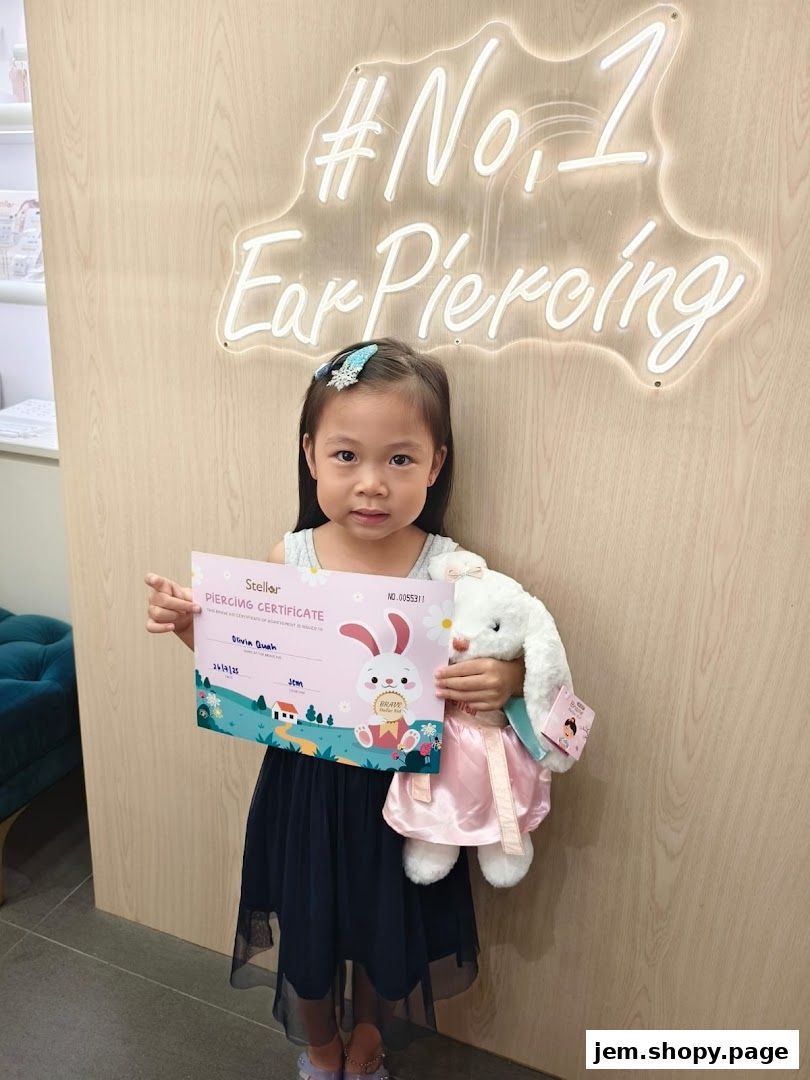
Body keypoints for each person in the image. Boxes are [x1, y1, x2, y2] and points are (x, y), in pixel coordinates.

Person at [144, 337, 527, 1080]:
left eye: (400, 459)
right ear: (311, 455)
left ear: (436, 464)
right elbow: (250, 669)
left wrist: (505, 680)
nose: (372, 484)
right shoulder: (292, 558)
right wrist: (192, 627)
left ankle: (369, 1044)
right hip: (306, 789)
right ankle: (321, 1050)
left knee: (390, 934)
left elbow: (512, 649)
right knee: (311, 931)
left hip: (409, 797)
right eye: (347, 456)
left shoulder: (453, 569)